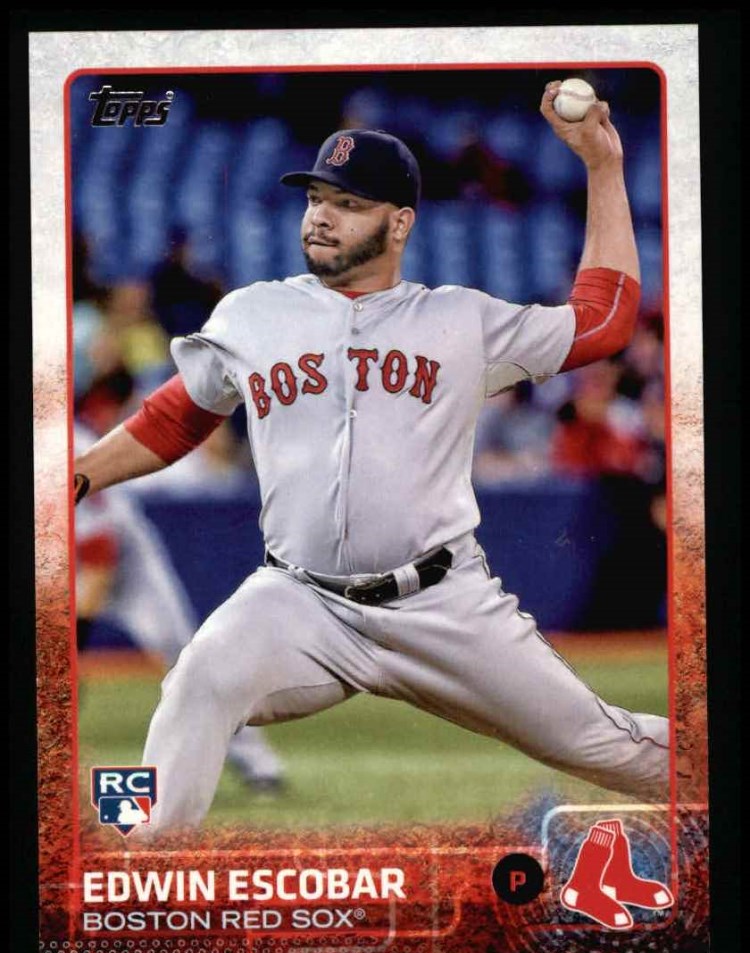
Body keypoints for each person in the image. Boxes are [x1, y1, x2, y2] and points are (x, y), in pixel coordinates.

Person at [74, 83, 669, 833]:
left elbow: (604, 322)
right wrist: (74, 478)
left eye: (348, 203)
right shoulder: (252, 314)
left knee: (611, 748)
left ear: (399, 223)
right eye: (316, 197)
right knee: (198, 679)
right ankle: (141, 876)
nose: (321, 215)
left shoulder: (459, 320)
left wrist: (603, 168)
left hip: (441, 604)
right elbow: (177, 416)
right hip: (298, 598)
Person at [75, 424, 286, 794]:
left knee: (185, 656)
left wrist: (72, 645)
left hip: (126, 565)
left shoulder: (64, 448)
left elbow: (98, 558)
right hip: (56, 563)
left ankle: (258, 764)